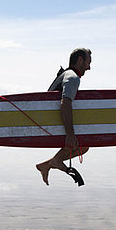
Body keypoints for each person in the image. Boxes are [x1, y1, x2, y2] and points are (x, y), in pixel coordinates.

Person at [36, 48, 91, 186]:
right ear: (80, 60)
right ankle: (54, 162)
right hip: (50, 126)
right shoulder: (72, 77)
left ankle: (50, 164)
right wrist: (70, 134)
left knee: (83, 146)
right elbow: (65, 103)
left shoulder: (67, 74)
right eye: (88, 62)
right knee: (80, 144)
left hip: (47, 123)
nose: (89, 68)